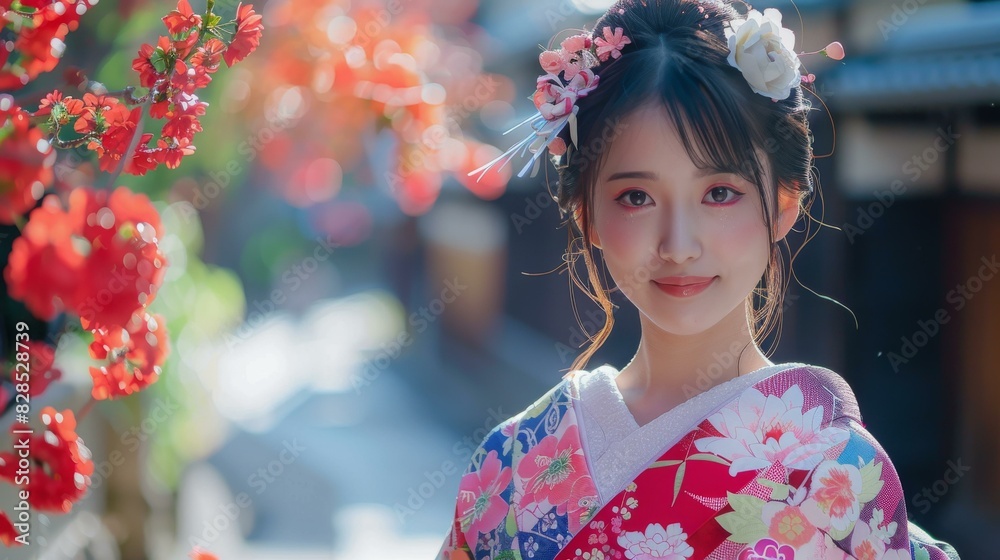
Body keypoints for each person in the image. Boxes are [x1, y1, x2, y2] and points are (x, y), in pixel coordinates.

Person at [438, 0, 961, 558]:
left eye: (719, 193)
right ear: (585, 213)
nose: (678, 245)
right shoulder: (511, 462)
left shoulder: (837, 475)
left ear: (784, 204)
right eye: (635, 197)